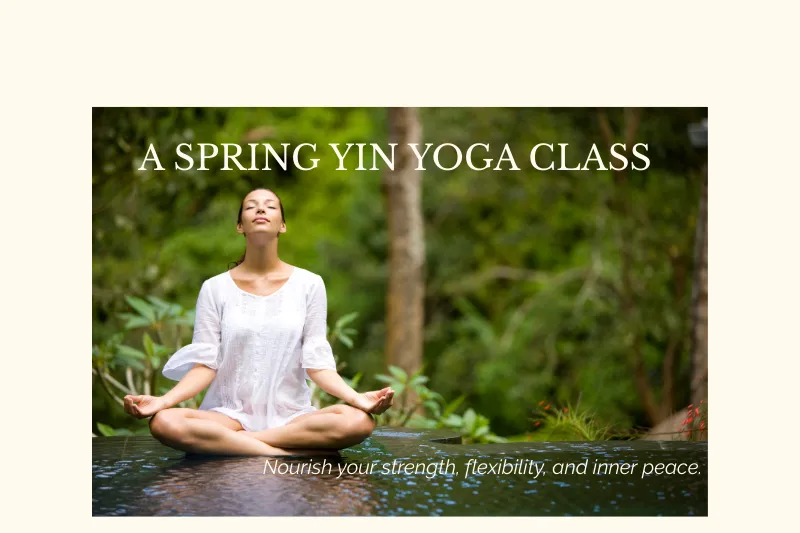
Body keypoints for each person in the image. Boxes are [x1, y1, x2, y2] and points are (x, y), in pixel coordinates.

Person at [123, 188, 395, 456]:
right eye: (251, 205)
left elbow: (317, 364)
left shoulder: (310, 284)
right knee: (163, 422)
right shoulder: (214, 288)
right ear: (240, 226)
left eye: (270, 206)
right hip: (227, 416)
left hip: (292, 418)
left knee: (357, 422)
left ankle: (241, 444)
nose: (261, 209)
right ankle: (283, 454)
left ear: (283, 225)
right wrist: (163, 401)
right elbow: (205, 364)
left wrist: (358, 399)